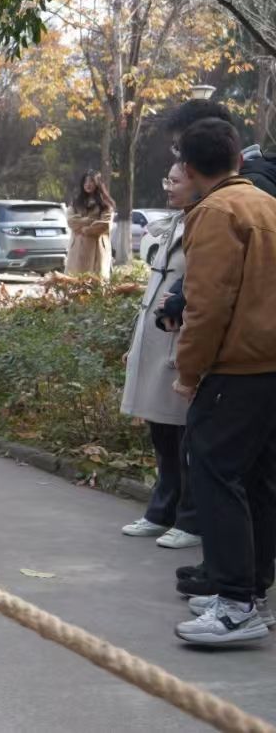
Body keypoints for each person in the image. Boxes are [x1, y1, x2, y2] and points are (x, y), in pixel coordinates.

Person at [168, 118, 276, 645]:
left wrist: (188, 372)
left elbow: (206, 307)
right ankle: (252, 592)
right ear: (237, 158)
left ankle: (234, 604)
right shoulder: (265, 204)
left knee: (213, 474)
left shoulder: (215, 212)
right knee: (257, 481)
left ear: (188, 168)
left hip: (236, 369)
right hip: (269, 366)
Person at [117, 163, 199, 548]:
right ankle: (162, 511)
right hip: (154, 339)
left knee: (185, 438)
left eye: (175, 180)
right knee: (162, 434)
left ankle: (190, 519)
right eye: (167, 179)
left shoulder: (204, 225)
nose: (168, 187)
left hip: (180, 342)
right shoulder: (173, 223)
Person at [65, 170, 114, 279]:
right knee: (75, 282)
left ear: (97, 183)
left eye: (91, 181)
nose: (88, 184)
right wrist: (91, 220)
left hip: (97, 249)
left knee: (95, 282)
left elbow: (105, 225)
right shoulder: (76, 203)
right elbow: (71, 221)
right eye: (85, 181)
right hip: (77, 250)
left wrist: (86, 229)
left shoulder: (105, 205)